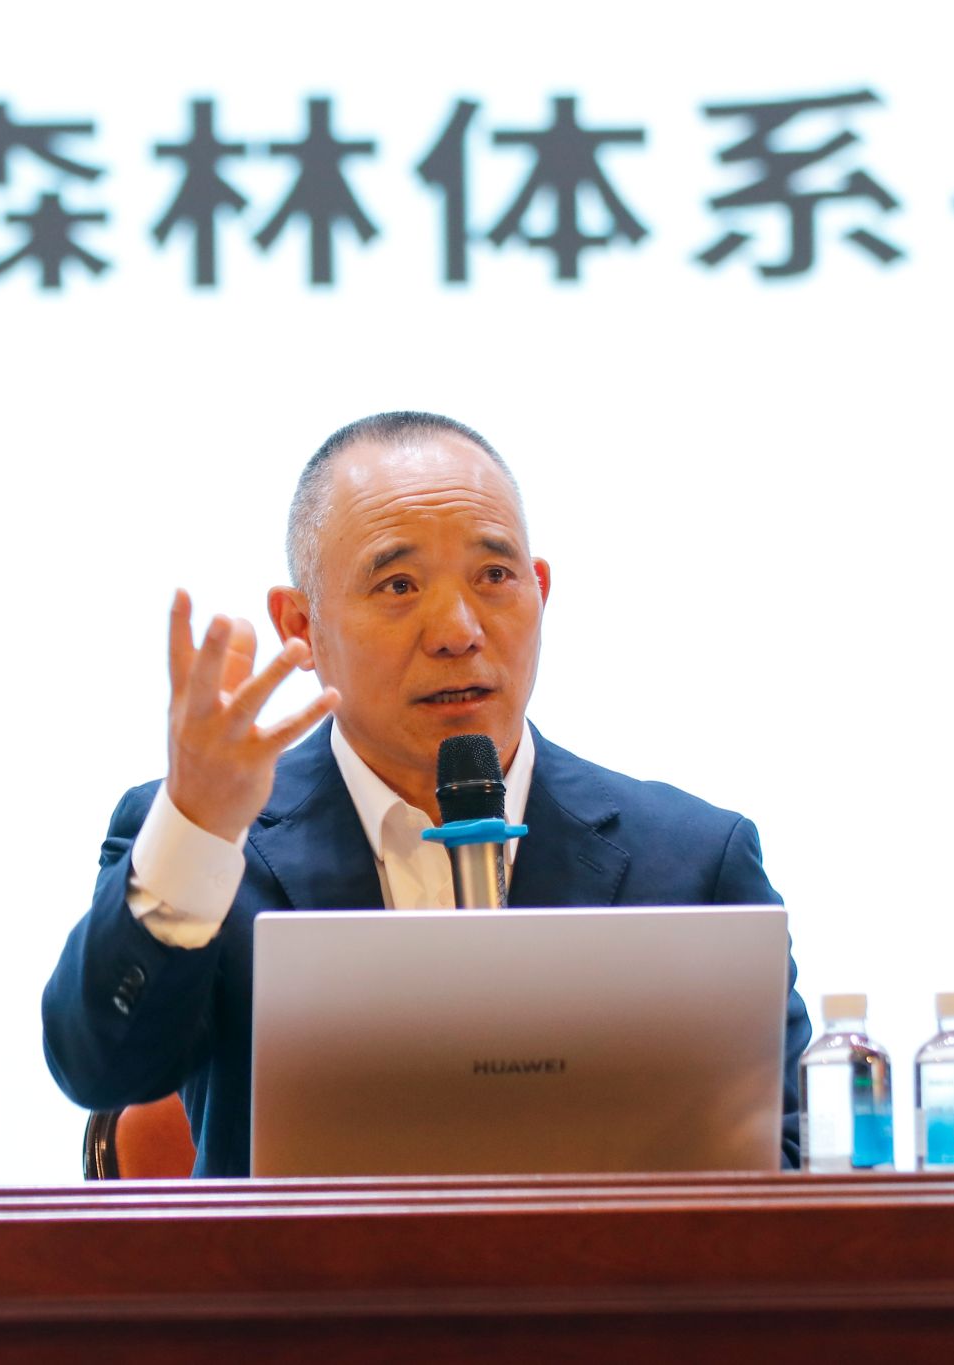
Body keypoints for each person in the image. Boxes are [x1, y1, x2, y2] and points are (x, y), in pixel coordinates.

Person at [42, 411, 810, 1176]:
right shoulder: (210, 846)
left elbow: (792, 1162)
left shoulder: (694, 861)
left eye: (494, 576)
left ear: (540, 591)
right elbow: (101, 1069)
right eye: (399, 585)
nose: (457, 629)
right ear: (300, 624)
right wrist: (197, 828)